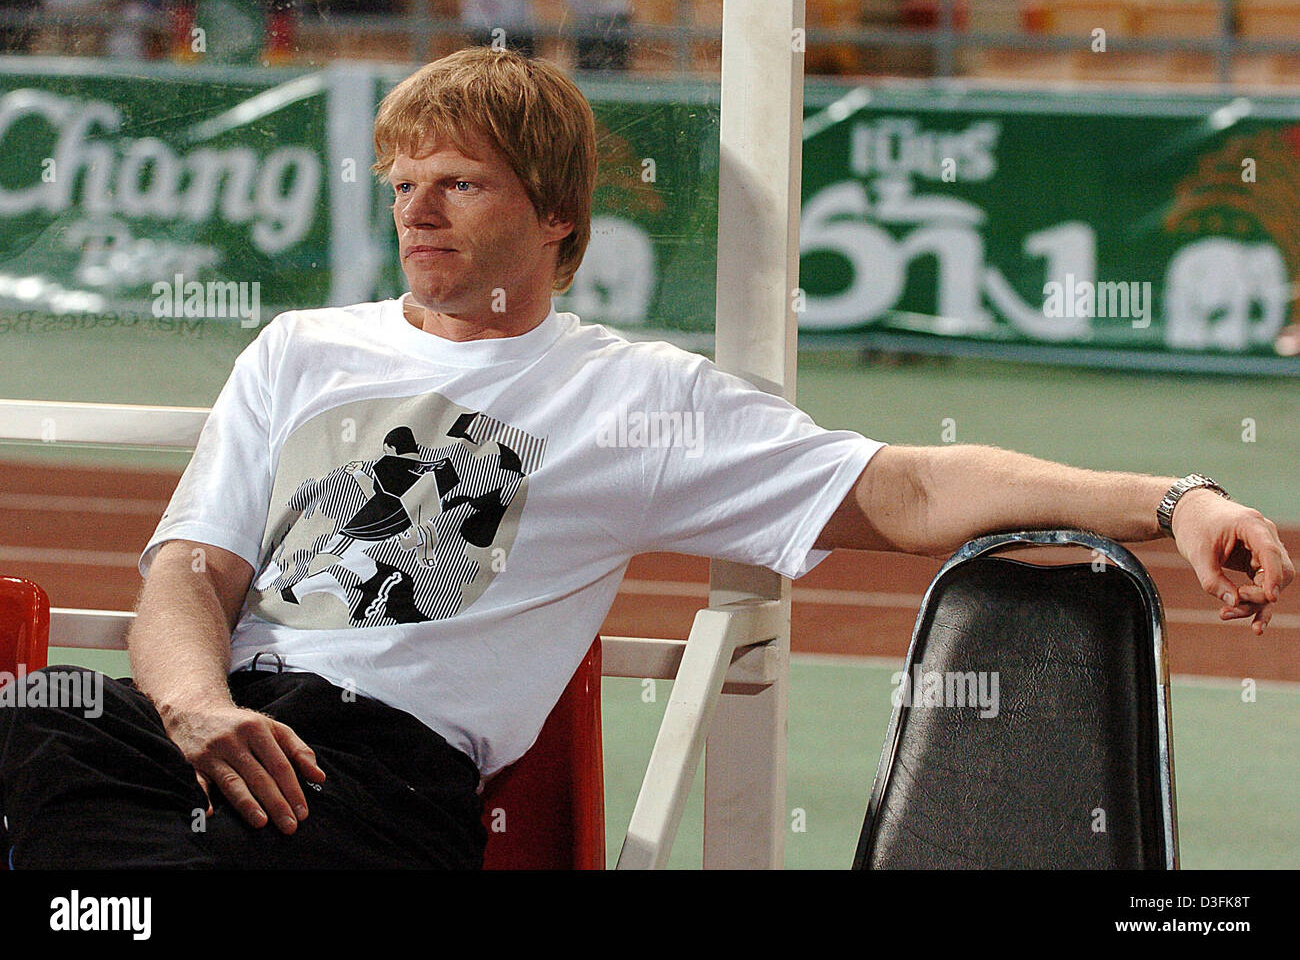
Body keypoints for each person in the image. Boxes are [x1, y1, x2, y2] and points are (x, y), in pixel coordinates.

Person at [0, 48, 1293, 870]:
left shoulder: (629, 396)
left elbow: (904, 489)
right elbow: (186, 573)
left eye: (461, 185)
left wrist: (1173, 499)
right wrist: (191, 704)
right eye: (402, 183)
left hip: (364, 786)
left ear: (558, 216)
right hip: (181, 729)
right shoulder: (300, 351)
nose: (418, 211)